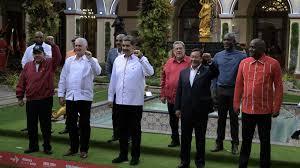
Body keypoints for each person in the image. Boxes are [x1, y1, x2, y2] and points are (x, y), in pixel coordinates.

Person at [234, 38, 283, 168]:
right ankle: (242, 165)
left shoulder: (273, 64)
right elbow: (238, 85)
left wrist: (276, 107)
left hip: (265, 111)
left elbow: (278, 87)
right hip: (247, 110)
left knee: (265, 141)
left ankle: (265, 165)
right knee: (246, 141)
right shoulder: (244, 63)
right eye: (250, 47)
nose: (250, 49)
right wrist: (235, 104)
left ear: (262, 49)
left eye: (253, 47)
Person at [108, 35, 154, 166]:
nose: (125, 48)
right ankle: (122, 155)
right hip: (120, 102)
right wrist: (111, 98)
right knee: (121, 130)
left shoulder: (140, 60)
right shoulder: (118, 60)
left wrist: (142, 58)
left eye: (128, 46)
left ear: (134, 46)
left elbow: (150, 72)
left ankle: (135, 156)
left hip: (135, 103)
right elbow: (113, 80)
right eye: (123, 46)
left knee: (135, 132)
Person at [58, 37, 101, 159]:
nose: (77, 48)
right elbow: (63, 78)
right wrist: (61, 94)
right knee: (71, 124)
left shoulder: (91, 60)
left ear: (85, 47)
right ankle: (73, 148)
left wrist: (90, 59)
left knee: (84, 124)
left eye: (79, 46)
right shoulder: (69, 60)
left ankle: (83, 149)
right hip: (71, 97)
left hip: (85, 98)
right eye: (76, 46)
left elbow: (98, 72)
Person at [175, 49, 219, 168]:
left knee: (200, 139)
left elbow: (216, 72)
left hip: (201, 111)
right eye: (192, 57)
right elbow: (179, 91)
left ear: (201, 59)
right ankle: (184, 162)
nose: (193, 59)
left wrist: (210, 61)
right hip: (186, 111)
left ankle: (200, 163)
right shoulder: (183, 72)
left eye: (196, 57)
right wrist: (177, 108)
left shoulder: (207, 71)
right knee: (185, 139)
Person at [16, 44, 61, 155]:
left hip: (45, 99)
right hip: (31, 100)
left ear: (43, 54)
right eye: (35, 54)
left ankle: (47, 147)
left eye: (39, 53)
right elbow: (22, 82)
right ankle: (33, 146)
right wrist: (20, 97)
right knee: (31, 125)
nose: (37, 55)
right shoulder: (27, 66)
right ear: (33, 55)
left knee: (45, 125)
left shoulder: (50, 63)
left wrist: (53, 45)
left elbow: (58, 58)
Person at [211, 32, 246, 155]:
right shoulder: (218, 56)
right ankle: (219, 143)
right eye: (224, 40)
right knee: (220, 119)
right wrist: (213, 90)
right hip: (221, 91)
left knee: (234, 119)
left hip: (234, 92)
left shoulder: (241, 56)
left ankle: (235, 144)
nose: (226, 42)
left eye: (228, 40)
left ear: (234, 42)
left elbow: (244, 77)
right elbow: (213, 75)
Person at [160, 41, 191, 147]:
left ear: (184, 50)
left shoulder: (190, 62)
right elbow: (164, 78)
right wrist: (162, 94)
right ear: (173, 51)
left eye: (180, 48)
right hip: (171, 98)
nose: (178, 50)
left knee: (186, 122)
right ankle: (175, 140)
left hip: (185, 98)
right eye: (176, 49)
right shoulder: (169, 62)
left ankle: (185, 142)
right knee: (173, 121)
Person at [106, 34, 126, 143]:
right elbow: (108, 69)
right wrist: (113, 81)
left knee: (126, 113)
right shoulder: (112, 52)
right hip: (115, 88)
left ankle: (127, 136)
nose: (118, 42)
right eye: (117, 40)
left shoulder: (130, 53)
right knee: (115, 113)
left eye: (120, 40)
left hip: (126, 88)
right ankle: (116, 134)